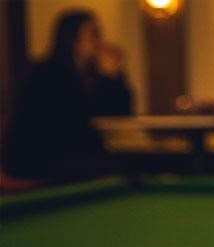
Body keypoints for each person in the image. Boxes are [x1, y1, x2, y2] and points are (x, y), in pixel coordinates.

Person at [1, 10, 132, 183]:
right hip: (37, 157)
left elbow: (120, 114)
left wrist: (114, 78)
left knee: (123, 164)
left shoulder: (91, 74)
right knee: (109, 167)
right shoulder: (46, 73)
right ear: (72, 39)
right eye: (94, 34)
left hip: (69, 156)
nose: (100, 42)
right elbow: (77, 120)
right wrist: (106, 80)